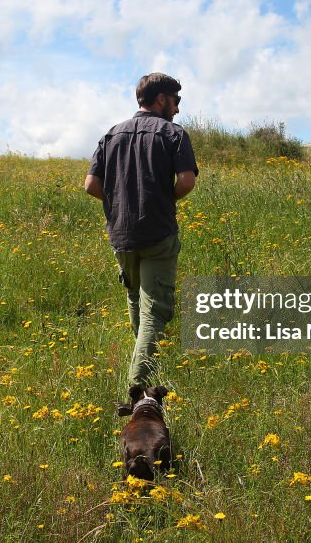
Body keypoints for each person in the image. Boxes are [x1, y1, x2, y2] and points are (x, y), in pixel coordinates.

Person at [84, 72, 198, 387]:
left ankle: (144, 369)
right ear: (161, 99)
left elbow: (91, 185)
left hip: (122, 234)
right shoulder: (173, 134)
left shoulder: (111, 135)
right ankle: (140, 387)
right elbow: (187, 181)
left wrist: (120, 203)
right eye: (176, 101)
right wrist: (162, 201)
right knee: (155, 311)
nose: (177, 109)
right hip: (158, 232)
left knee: (136, 298)